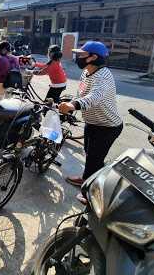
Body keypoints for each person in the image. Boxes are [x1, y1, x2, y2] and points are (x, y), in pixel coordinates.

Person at [58, 41, 122, 203]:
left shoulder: (104, 75)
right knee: (89, 154)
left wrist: (73, 106)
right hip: (92, 123)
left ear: (93, 57)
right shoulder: (86, 72)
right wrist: (70, 101)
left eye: (81, 54)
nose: (78, 57)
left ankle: (92, 191)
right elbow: (81, 94)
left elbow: (94, 98)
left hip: (107, 126)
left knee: (95, 158)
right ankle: (87, 178)